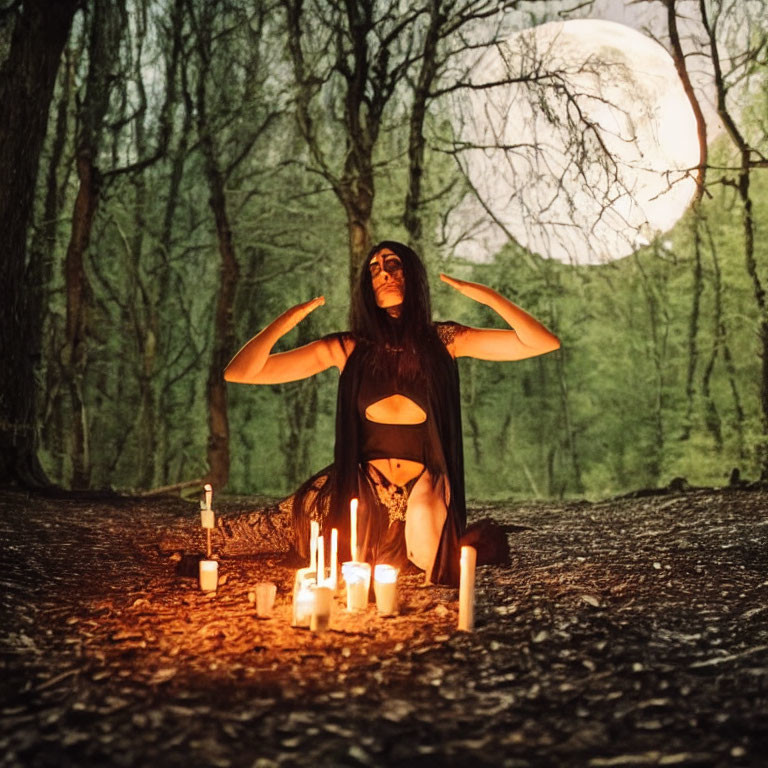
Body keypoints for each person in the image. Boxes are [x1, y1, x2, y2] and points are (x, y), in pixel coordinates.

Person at [222, 241, 560, 586]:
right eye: (374, 269)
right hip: (362, 486)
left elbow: (541, 342)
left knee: (436, 565)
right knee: (238, 537)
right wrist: (286, 321)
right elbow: (241, 372)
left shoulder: (445, 340)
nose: (383, 272)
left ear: (412, 275)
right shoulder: (347, 348)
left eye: (393, 264)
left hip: (422, 485)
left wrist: (488, 296)